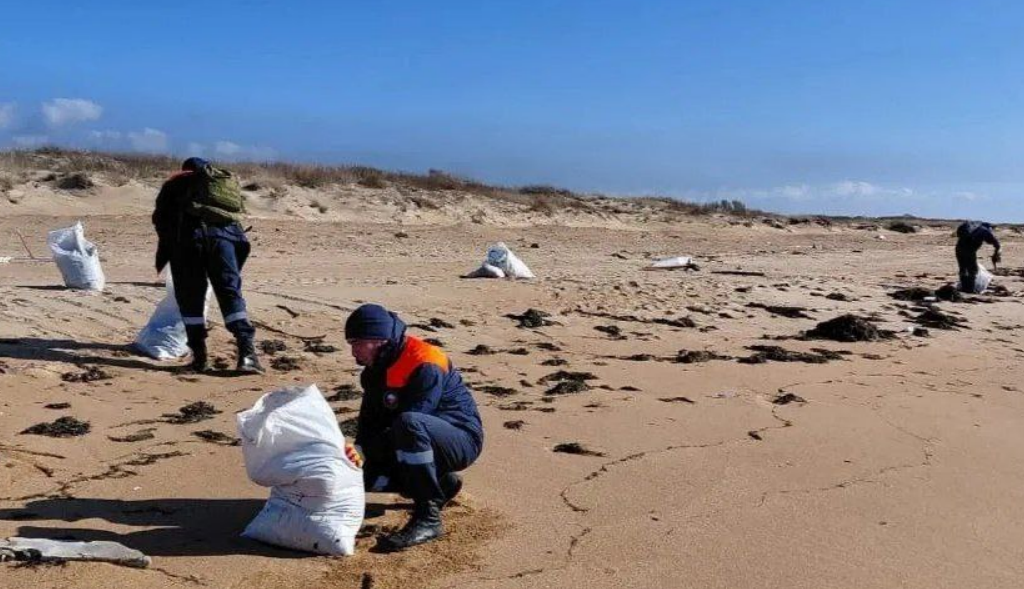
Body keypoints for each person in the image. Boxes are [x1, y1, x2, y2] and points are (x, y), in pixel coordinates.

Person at [345, 304, 483, 551]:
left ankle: (428, 517)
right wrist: (359, 453)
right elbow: (369, 424)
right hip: (412, 437)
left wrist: (376, 449)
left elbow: (414, 421)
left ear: (379, 340)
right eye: (350, 343)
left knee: (409, 424)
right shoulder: (374, 371)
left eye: (357, 343)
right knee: (357, 476)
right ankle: (441, 483)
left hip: (460, 439)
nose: (353, 350)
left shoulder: (426, 363)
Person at [152, 157, 262, 373]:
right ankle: (247, 355)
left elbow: (160, 218)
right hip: (225, 242)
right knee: (230, 294)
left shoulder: (174, 184)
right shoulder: (221, 185)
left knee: (190, 298)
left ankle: (200, 357)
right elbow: (235, 217)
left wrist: (169, 247)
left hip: (188, 243)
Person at [955, 220, 1001, 293]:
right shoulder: (985, 230)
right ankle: (970, 289)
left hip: (958, 249)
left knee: (963, 268)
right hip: (969, 250)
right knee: (973, 270)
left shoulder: (972, 228)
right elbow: (995, 242)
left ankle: (964, 287)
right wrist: (997, 251)